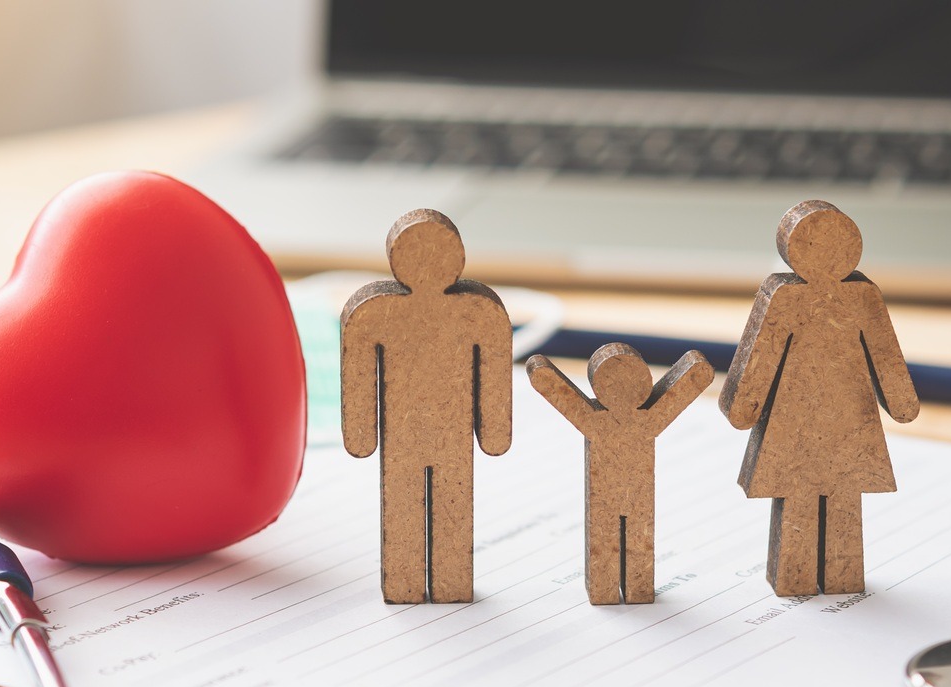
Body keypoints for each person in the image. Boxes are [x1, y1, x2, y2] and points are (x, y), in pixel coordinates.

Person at [720, 200, 920, 596]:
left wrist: (742, 408)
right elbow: (761, 355)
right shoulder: (786, 296)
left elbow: (886, 359)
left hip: (846, 424)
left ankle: (834, 576)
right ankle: (796, 577)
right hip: (802, 425)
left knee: (838, 497)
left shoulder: (861, 297)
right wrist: (743, 406)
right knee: (802, 498)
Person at [340, 210, 514, 603]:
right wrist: (362, 435)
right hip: (407, 437)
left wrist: (493, 433)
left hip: (447, 435)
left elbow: (493, 371)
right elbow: (359, 373)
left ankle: (441, 582)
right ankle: (411, 582)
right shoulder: (375, 312)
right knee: (408, 504)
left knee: (446, 502)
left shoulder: (478, 312)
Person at [527, 343, 711, 604]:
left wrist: (541, 373)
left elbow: (557, 390)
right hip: (614, 495)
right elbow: (690, 382)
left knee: (630, 539)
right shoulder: (635, 419)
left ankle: (625, 589)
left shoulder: (620, 420)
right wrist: (697, 370)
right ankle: (613, 589)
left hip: (632, 495)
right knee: (613, 540)